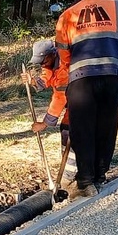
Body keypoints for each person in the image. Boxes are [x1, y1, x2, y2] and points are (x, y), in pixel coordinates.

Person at [54, 0, 118, 199]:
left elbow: (63, 54)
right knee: (107, 125)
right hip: (113, 75)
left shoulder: (67, 16)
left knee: (82, 129)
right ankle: (100, 175)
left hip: (81, 78)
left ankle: (85, 181)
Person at [25, 39, 72, 180]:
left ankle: (73, 176)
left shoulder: (65, 66)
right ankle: (68, 174)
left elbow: (60, 97)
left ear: (52, 54)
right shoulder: (50, 63)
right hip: (74, 99)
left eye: (43, 61)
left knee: (71, 131)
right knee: (65, 130)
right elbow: (47, 78)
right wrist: (33, 81)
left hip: (82, 100)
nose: (41, 65)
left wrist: (45, 123)